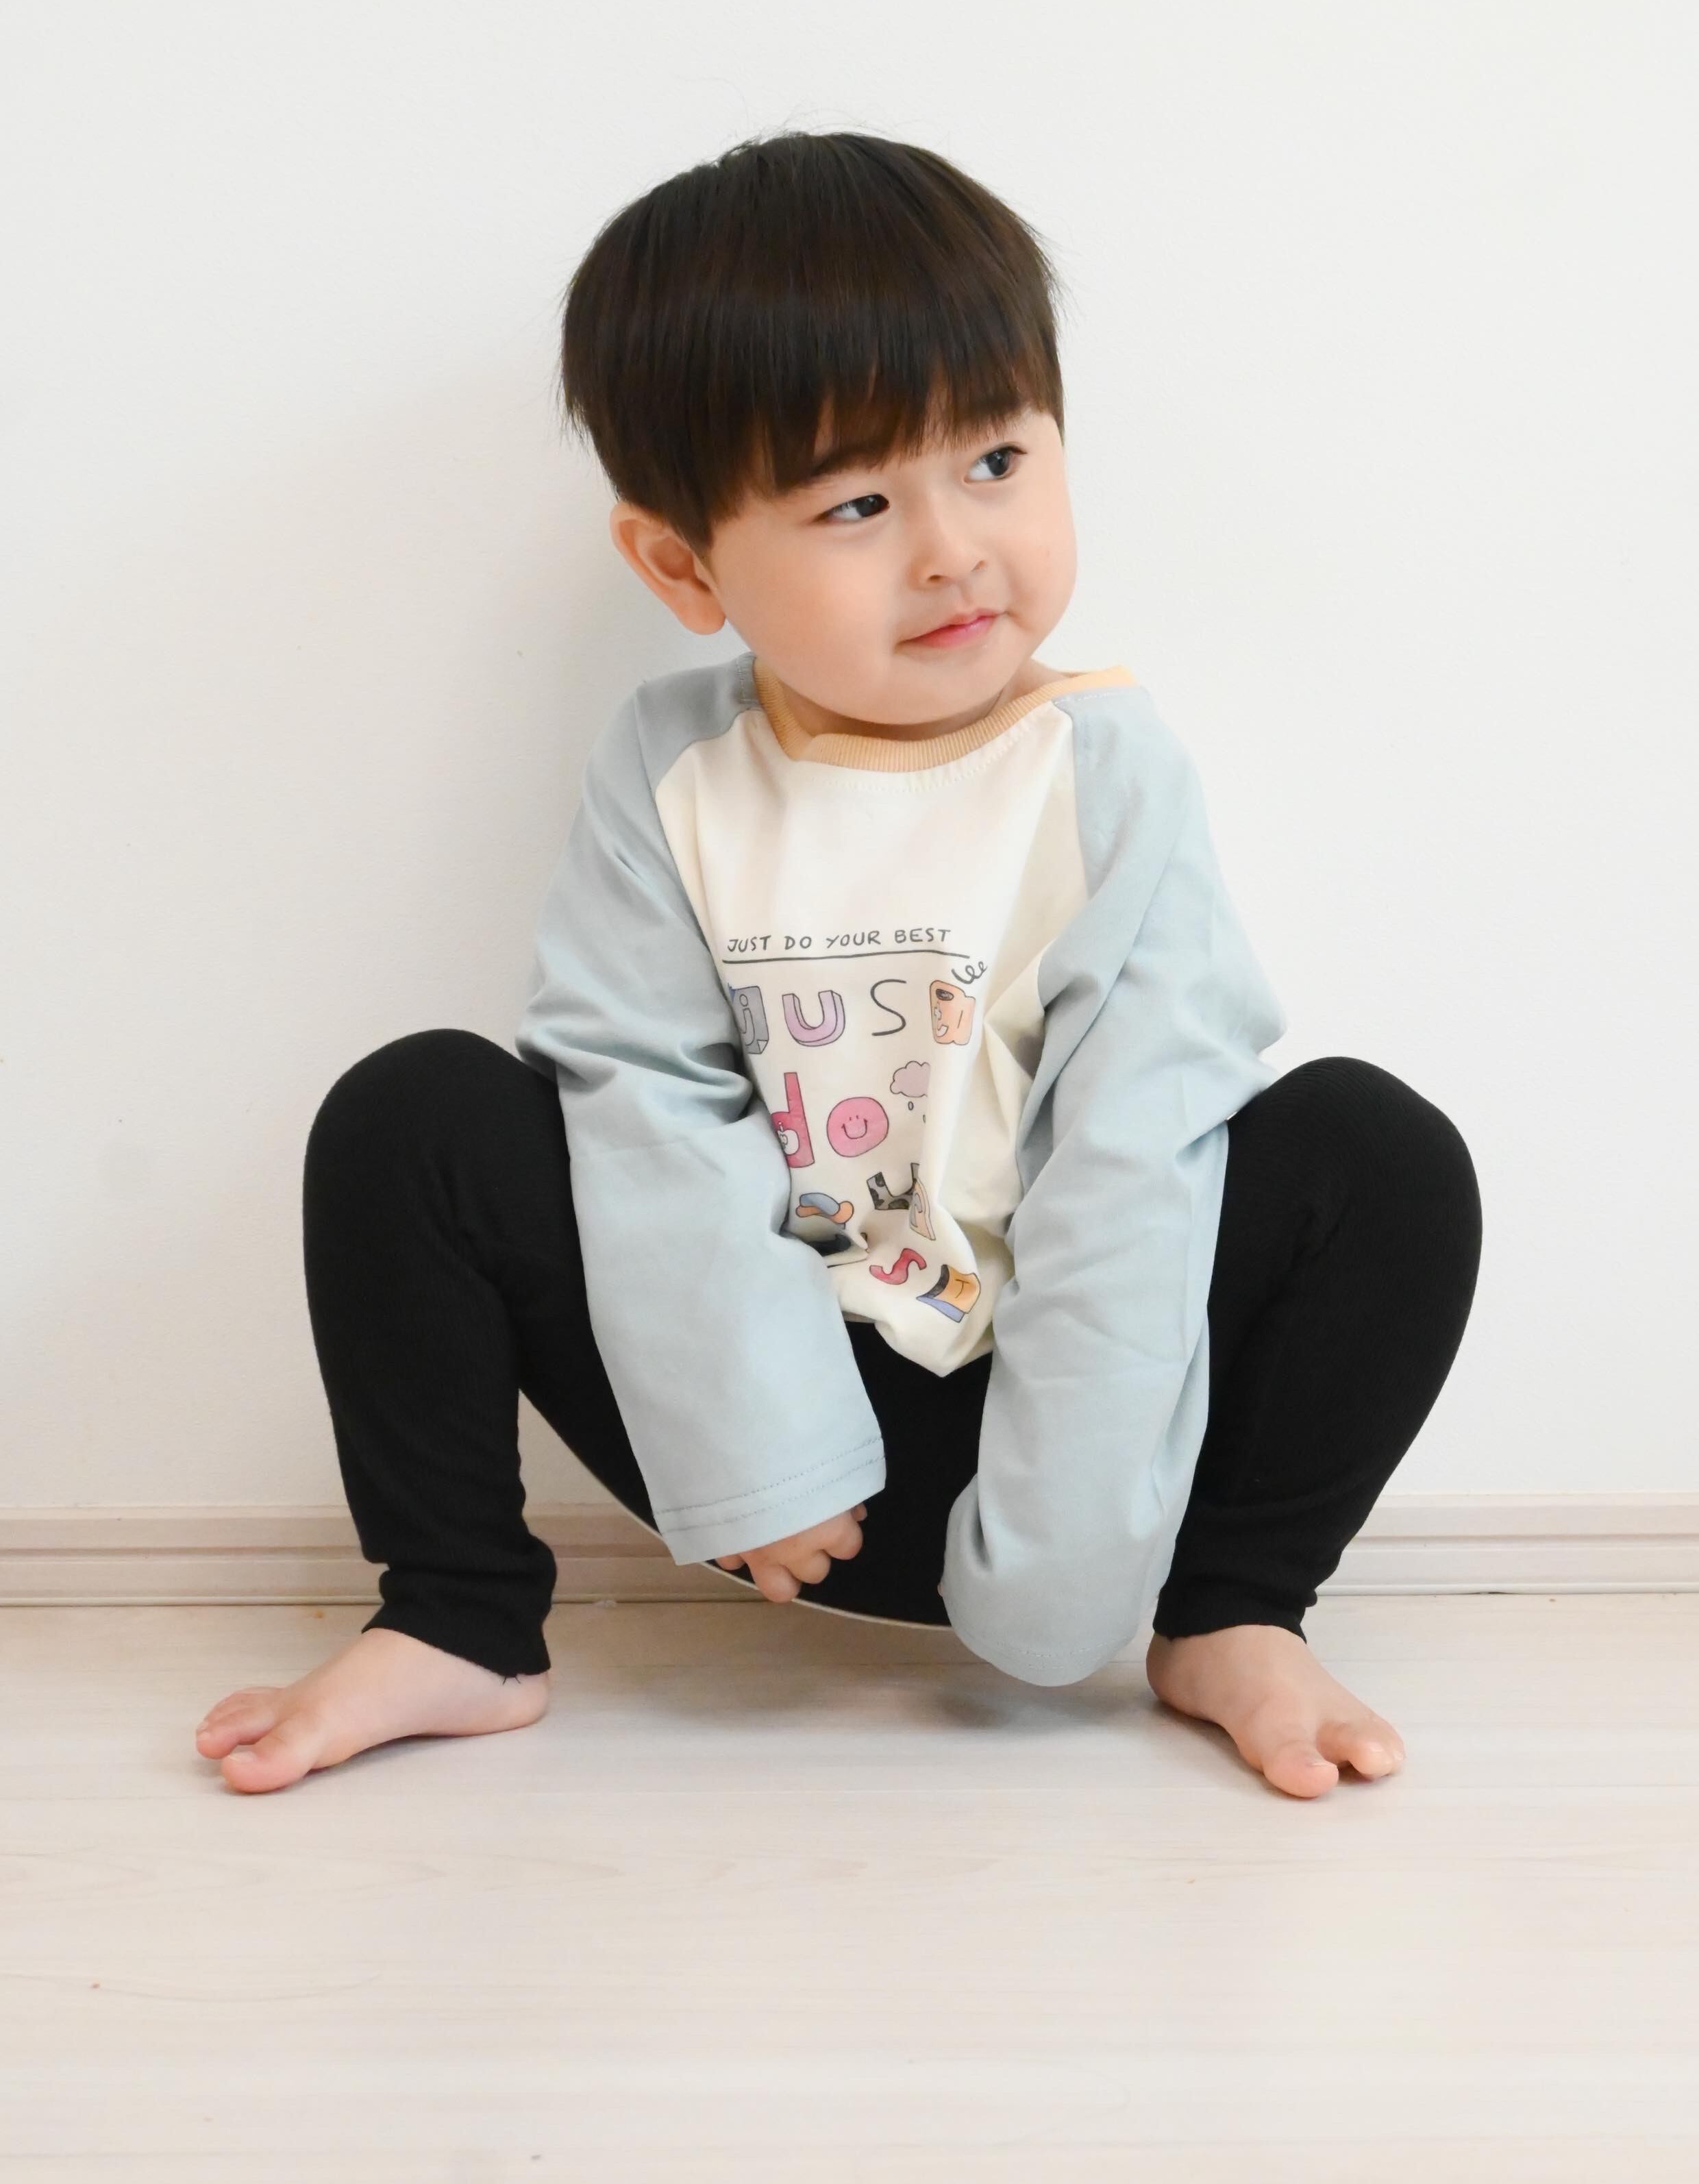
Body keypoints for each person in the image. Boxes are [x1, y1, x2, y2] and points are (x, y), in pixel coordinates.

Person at [195, 130, 1482, 1800]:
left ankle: (1232, 1609)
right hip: (768, 1452)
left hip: (1080, 1438)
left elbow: (1134, 1157)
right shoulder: (673, 768)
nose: (952, 550)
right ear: (682, 566)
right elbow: (645, 1098)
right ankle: (457, 1619)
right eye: (859, 505)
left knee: (1376, 1155)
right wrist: (759, 1443)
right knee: (413, 1118)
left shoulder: (1107, 773)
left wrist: (1067, 1554)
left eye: (996, 462)